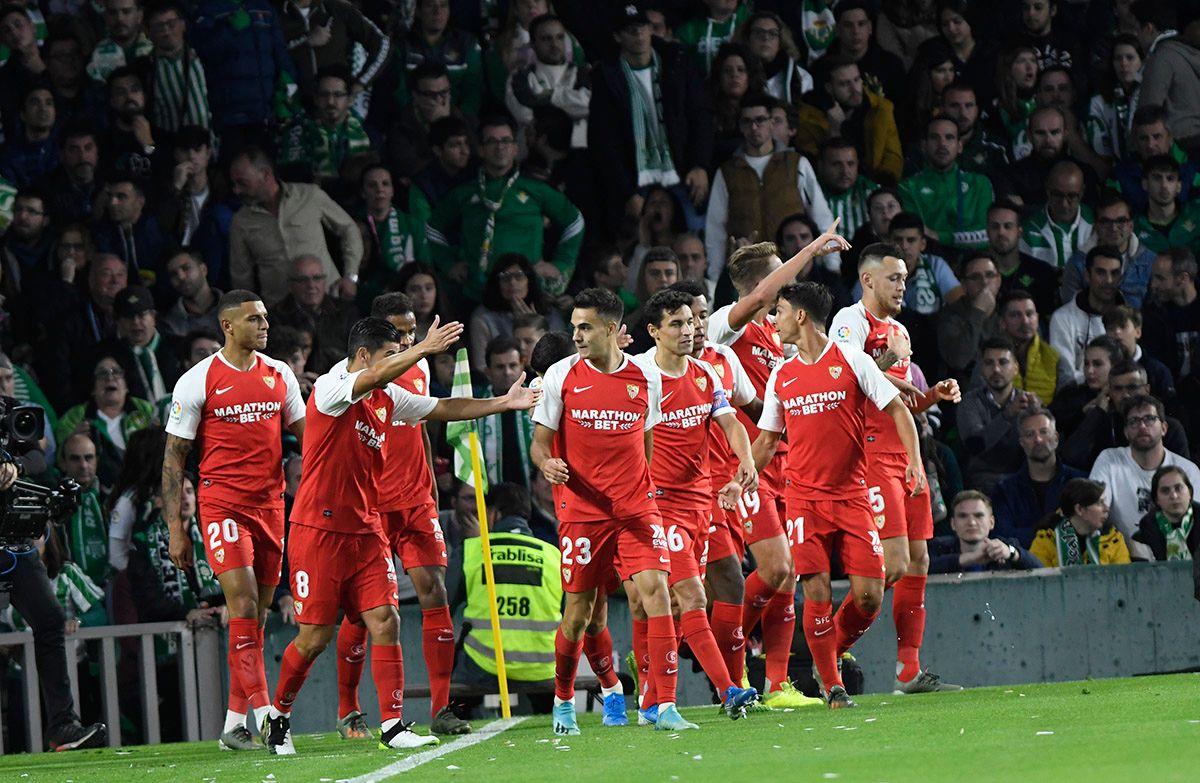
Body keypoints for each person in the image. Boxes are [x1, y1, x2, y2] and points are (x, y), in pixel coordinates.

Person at [263, 316, 538, 754]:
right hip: (318, 530)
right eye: (391, 355)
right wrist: (424, 349)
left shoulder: (386, 395)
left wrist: (503, 404)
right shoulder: (333, 388)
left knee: (385, 620)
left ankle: (392, 726)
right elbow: (374, 376)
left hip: (366, 529)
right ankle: (278, 716)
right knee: (314, 637)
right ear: (364, 355)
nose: (397, 365)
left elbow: (442, 408)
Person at [530, 288, 691, 735]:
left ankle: (664, 707)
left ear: (612, 331)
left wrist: (646, 490)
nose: (577, 335)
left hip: (637, 510)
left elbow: (647, 438)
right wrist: (548, 464)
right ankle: (563, 700)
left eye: (585, 327)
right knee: (580, 614)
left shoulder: (646, 378)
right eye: (575, 326)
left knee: (658, 592)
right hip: (583, 513)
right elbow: (539, 442)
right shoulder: (562, 376)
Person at [753, 280, 917, 708]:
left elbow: (898, 409)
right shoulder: (781, 374)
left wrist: (914, 462)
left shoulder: (851, 359)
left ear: (801, 316)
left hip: (853, 496)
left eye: (781, 311)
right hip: (804, 500)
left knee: (870, 595)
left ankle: (827, 649)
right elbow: (768, 440)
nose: (775, 319)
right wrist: (741, 475)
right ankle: (831, 683)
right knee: (817, 589)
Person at [707, 227, 849, 709]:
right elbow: (768, 293)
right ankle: (708, 645)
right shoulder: (727, 326)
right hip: (746, 463)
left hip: (789, 462)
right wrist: (810, 251)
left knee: (788, 575)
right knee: (777, 567)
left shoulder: (776, 333)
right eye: (778, 278)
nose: (786, 289)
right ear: (756, 287)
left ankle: (775, 685)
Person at [161, 290, 308, 751]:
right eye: (254, 319)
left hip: (271, 507)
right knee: (243, 608)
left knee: (255, 619)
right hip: (222, 504)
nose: (265, 326)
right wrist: (176, 530)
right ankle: (270, 721)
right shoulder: (197, 380)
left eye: (265, 318)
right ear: (228, 326)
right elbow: (173, 460)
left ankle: (231, 725)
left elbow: (310, 439)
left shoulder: (280, 374)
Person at [333, 293, 472, 739]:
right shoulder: (346, 377)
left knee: (435, 594)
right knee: (361, 614)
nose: (412, 338)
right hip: (369, 505)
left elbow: (421, 422)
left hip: (414, 500)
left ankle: (441, 707)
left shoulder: (421, 366)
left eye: (414, 330)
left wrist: (429, 481)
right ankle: (349, 710)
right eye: (401, 332)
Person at [830, 241, 963, 694]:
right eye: (894, 277)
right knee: (893, 563)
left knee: (919, 559)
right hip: (867, 456)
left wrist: (931, 396)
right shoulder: (850, 321)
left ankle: (908, 669)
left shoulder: (901, 330)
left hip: (906, 455)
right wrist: (890, 370)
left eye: (905, 277)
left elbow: (899, 401)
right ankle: (825, 647)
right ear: (867, 280)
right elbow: (845, 370)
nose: (903, 284)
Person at [631, 288, 761, 717]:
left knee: (677, 602)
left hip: (699, 503)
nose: (688, 331)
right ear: (653, 332)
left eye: (690, 322)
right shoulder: (639, 378)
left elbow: (729, 422)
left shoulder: (706, 373)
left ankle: (651, 698)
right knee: (691, 596)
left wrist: (744, 461)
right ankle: (728, 689)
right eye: (677, 324)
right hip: (658, 504)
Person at [427, 114, 584, 304]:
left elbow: (574, 221)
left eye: (506, 141)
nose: (500, 147)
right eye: (492, 141)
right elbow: (432, 228)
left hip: (528, 292)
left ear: (516, 149)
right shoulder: (465, 192)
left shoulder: (536, 189)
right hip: (477, 293)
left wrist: (561, 264)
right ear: (481, 149)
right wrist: (448, 264)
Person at [588, 3, 714, 235]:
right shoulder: (606, 76)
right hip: (635, 178)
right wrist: (625, 192)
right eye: (630, 30)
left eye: (643, 27)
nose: (639, 34)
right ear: (617, 36)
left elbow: (700, 115)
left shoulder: (676, 61)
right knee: (635, 241)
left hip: (681, 169)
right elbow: (603, 140)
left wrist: (700, 164)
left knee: (696, 235)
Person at [445, 482, 562, 711]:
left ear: (494, 513)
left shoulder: (472, 550)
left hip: (483, 666)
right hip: (542, 666)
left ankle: (453, 716)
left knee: (456, 701)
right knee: (545, 706)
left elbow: (443, 605)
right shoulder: (552, 554)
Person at [704, 93, 836, 283]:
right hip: (750, 276)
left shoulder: (796, 164)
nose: (754, 127)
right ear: (740, 126)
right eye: (747, 121)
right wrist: (716, 279)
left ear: (771, 123)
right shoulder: (727, 172)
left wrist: (832, 266)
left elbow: (821, 216)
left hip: (794, 270)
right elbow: (715, 230)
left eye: (760, 120)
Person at [228, 146, 364, 307]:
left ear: (265, 174)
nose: (236, 190)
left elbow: (349, 229)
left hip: (329, 300)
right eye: (234, 184)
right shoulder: (241, 221)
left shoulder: (310, 196)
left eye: (242, 183)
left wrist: (351, 276)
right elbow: (241, 275)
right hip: (279, 309)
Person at [1090, 395, 1200, 560]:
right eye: (1133, 421)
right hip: (1122, 561)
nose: (1141, 426)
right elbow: (1095, 508)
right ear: (1126, 432)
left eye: (1149, 419)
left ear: (1164, 428)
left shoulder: (1187, 469)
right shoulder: (1109, 460)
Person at [1060, 359, 1190, 471]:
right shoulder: (1101, 425)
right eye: (1118, 389)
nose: (1126, 395)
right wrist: (1098, 412)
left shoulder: (1170, 427)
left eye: (1132, 388)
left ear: (1147, 390)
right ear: (1109, 392)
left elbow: (1184, 472)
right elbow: (1070, 457)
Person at [55, 355, 156, 494]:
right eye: (102, 374)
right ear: (92, 387)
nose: (110, 378)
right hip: (98, 491)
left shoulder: (147, 410)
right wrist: (74, 439)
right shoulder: (74, 417)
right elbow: (61, 461)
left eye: (117, 372)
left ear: (126, 385)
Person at [795, 58, 903, 185]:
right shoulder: (807, 117)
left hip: (874, 185)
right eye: (844, 84)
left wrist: (880, 186)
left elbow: (893, 156)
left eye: (857, 80)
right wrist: (834, 132)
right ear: (829, 88)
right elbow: (814, 165)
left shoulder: (880, 109)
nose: (855, 89)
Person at [992, 407, 1086, 547]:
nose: (1038, 439)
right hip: (1022, 566)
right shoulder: (1004, 491)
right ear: (1021, 442)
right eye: (1030, 434)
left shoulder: (1080, 483)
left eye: (1043, 432)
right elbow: (1003, 536)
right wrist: (1054, 534)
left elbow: (1087, 529)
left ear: (1056, 438)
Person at [898, 116, 993, 250]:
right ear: (923, 146)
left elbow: (986, 235)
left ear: (960, 146)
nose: (942, 143)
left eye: (949, 137)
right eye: (934, 138)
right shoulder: (907, 188)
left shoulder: (979, 184)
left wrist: (940, 237)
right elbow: (916, 235)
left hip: (974, 263)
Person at [275, 64, 371, 188]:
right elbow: (294, 180)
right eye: (324, 95)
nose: (330, 101)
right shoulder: (297, 131)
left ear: (350, 99)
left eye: (338, 95)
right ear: (315, 99)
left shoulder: (366, 133)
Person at [504, 13, 590, 150]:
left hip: (579, 155)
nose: (554, 44)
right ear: (532, 43)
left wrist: (547, 96)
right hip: (534, 158)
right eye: (546, 39)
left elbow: (590, 104)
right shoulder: (519, 77)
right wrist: (571, 104)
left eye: (560, 37)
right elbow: (524, 114)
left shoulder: (584, 73)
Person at [275, 0, 389, 103]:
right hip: (292, 104)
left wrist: (361, 83)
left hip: (336, 106)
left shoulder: (337, 8)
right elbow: (269, 58)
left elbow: (382, 43)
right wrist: (306, 43)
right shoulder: (273, 13)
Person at [958, 337, 1031, 493]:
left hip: (1023, 482)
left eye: (1003, 362)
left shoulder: (1029, 403)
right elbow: (975, 445)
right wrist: (1008, 414)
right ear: (982, 368)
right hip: (982, 483)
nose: (996, 369)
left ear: (1016, 368)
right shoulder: (970, 402)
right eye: (989, 363)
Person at [1061, 192, 1156, 308]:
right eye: (1106, 221)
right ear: (1095, 226)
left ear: (1131, 225)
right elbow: (1069, 311)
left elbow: (1155, 311)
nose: (1114, 228)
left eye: (1121, 221)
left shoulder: (1151, 261)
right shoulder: (1077, 263)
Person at [270, 255, 359, 375]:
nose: (311, 285)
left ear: (324, 280)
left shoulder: (348, 312)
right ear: (290, 284)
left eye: (317, 278)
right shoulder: (274, 318)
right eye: (303, 280)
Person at [96, 284, 183, 404]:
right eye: (128, 316)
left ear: (153, 316)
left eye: (142, 315)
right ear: (117, 321)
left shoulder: (179, 347)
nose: (136, 322)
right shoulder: (102, 354)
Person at [135, 0, 211, 136]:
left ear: (183, 25)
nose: (166, 31)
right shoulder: (144, 69)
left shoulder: (204, 58)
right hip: (170, 147)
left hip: (208, 148)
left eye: (171, 24)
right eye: (159, 26)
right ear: (148, 32)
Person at [1135, 1, 1200, 157]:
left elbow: (1148, 111)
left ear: (1148, 28)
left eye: (1137, 30)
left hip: (1179, 148)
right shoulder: (1188, 54)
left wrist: (1134, 149)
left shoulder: (1162, 57)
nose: (1136, 36)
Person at [1050, 246, 1124, 383]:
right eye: (1101, 273)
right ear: (1087, 275)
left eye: (1114, 273)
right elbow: (1066, 374)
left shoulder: (1129, 320)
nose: (1108, 280)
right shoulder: (1062, 318)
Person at [928, 491, 1042, 573]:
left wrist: (1012, 553)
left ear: (991, 522)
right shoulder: (939, 547)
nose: (972, 522)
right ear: (953, 524)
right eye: (963, 516)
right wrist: (967, 558)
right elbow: (921, 569)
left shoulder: (1006, 547)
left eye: (979, 516)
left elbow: (1042, 573)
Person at [993, 288, 1072, 405]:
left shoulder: (1054, 359)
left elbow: (1069, 403)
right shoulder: (989, 358)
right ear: (1002, 323)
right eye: (1015, 315)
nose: (1025, 321)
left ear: (1037, 318)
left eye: (1029, 314)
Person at [1029, 478, 1131, 566]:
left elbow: (1125, 581)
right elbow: (1037, 582)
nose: (1107, 508)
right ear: (1080, 509)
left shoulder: (1113, 539)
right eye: (1099, 503)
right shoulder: (1046, 540)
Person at [987, 200, 1061, 319]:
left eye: (1008, 226)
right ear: (987, 231)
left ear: (1019, 232)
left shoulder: (1041, 272)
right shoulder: (976, 271)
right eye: (995, 226)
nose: (1001, 232)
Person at [936, 253, 1002, 382]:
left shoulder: (1009, 309)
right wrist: (978, 312)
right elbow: (959, 361)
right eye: (975, 277)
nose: (984, 282)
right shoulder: (948, 316)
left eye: (989, 275)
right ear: (964, 285)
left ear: (998, 280)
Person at [56, 433, 109, 589]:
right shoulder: (52, 503)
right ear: (63, 463)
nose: (83, 465)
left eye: (89, 458)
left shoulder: (113, 498)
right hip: (69, 587)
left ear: (97, 460)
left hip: (112, 584)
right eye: (75, 458)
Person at [1018, 160, 1093, 270]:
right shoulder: (1029, 230)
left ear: (1081, 192)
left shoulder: (1096, 223)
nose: (1064, 204)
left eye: (1071, 196)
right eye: (1057, 195)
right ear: (1048, 191)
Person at [1103, 307, 1176, 401]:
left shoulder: (1157, 371)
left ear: (1138, 332)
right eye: (1111, 328)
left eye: (1123, 326)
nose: (1117, 332)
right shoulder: (1103, 369)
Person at [1134, 155, 1200, 254]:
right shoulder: (1134, 226)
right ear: (1145, 184)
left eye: (1170, 178)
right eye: (1157, 178)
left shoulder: (1196, 215)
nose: (1164, 185)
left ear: (1179, 186)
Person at [1134, 466, 1200, 561]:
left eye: (1178, 488)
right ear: (1157, 499)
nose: (1173, 495)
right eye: (1165, 491)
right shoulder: (1140, 539)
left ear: (1189, 492)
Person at [817, 136, 877, 239]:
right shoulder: (809, 193)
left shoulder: (871, 191)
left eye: (850, 164)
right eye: (836, 164)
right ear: (821, 166)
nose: (845, 171)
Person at [86, 0, 152, 83]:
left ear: (140, 15)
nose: (119, 18)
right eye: (113, 12)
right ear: (105, 16)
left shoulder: (155, 51)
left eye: (126, 12)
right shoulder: (94, 57)